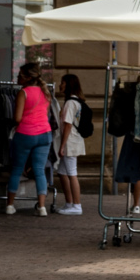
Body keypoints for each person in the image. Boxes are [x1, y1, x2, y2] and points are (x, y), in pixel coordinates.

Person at [4, 62, 52, 216]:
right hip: (45, 134)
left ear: (27, 78)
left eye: (20, 75)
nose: (17, 77)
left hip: (25, 134)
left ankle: (10, 205)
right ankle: (42, 207)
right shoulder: (45, 92)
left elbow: (17, 118)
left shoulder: (23, 93)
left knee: (17, 169)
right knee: (39, 171)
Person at [55, 73, 87, 214]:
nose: (60, 85)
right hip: (73, 140)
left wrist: (62, 145)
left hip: (70, 142)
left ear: (68, 85)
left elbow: (67, 125)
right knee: (62, 172)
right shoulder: (76, 101)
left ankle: (76, 205)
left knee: (71, 172)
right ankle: (69, 203)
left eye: (63, 83)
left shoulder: (70, 103)